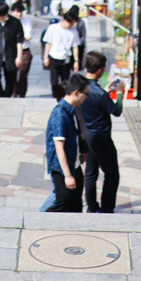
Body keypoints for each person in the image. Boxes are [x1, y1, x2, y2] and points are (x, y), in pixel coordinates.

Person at [79, 51, 124, 213]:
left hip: (86, 137)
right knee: (112, 174)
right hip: (101, 139)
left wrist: (105, 92)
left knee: (90, 174)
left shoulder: (81, 86)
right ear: (100, 70)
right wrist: (119, 94)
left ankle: (91, 206)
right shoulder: (99, 94)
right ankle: (107, 207)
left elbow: (95, 98)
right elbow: (116, 111)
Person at [45, 73, 90, 213]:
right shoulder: (60, 114)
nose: (87, 97)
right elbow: (59, 148)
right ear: (76, 92)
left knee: (75, 202)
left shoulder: (73, 109)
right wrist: (68, 175)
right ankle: (39, 222)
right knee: (63, 200)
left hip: (74, 164)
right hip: (62, 169)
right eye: (85, 94)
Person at [43, 11, 81, 100]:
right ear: (65, 20)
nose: (72, 25)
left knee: (66, 82)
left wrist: (76, 61)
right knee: (54, 82)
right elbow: (48, 43)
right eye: (71, 23)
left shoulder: (73, 31)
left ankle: (64, 98)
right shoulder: (53, 28)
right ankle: (54, 97)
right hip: (54, 58)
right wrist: (45, 57)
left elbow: (75, 47)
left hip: (66, 60)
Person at [10, 1, 33, 98]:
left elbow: (28, 36)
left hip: (24, 50)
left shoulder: (26, 21)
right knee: (12, 73)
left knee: (23, 73)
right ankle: (14, 92)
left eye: (21, 12)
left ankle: (22, 93)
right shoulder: (9, 21)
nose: (19, 14)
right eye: (16, 11)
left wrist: (16, 37)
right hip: (12, 50)